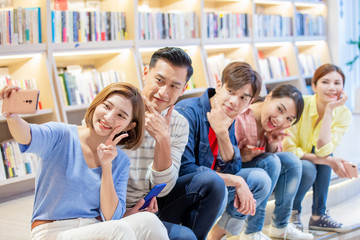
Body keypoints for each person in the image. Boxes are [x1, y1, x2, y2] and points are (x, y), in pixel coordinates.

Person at [1, 83, 169, 240]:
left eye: (121, 115)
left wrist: (106, 166)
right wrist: (13, 117)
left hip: (95, 228)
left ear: (129, 126)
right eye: (107, 106)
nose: (109, 117)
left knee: (149, 221)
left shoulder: (120, 160)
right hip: (53, 232)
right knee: (119, 230)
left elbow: (111, 216)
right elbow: (26, 135)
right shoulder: (61, 134)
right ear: (96, 103)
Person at [168, 61, 271, 240]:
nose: (234, 101)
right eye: (231, 91)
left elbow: (233, 167)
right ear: (218, 85)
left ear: (250, 101)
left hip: (209, 185)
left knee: (260, 179)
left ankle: (218, 236)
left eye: (243, 98)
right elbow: (184, 170)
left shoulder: (228, 115)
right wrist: (236, 181)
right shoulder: (188, 112)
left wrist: (222, 133)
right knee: (218, 187)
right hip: (179, 192)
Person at [211, 84, 313, 239]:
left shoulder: (274, 125)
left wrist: (272, 142)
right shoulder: (242, 118)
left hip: (259, 172)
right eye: (279, 109)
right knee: (271, 163)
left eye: (289, 119)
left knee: (291, 161)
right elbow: (220, 163)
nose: (280, 120)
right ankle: (252, 231)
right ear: (269, 97)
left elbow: (276, 163)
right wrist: (242, 157)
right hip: (230, 174)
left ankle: (281, 226)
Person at [121, 47, 197, 239]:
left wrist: (163, 138)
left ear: (184, 89)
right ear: (146, 73)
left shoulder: (179, 124)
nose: (163, 92)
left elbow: (164, 187)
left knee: (187, 236)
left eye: (174, 86)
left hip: (147, 208)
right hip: (107, 209)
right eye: (159, 80)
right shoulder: (118, 109)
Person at [283, 64, 353, 232]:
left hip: (310, 157)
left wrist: (329, 110)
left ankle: (318, 216)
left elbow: (323, 150)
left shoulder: (343, 113)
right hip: (286, 158)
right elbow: (288, 147)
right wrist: (327, 159)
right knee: (309, 167)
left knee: (325, 157)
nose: (331, 87)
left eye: (337, 83)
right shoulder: (300, 104)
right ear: (313, 86)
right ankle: (291, 213)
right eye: (325, 82)